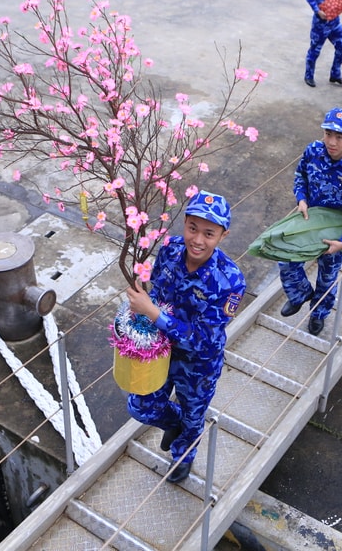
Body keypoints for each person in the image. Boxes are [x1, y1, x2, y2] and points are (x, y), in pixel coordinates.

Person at [125, 191, 246, 484]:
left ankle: (182, 456)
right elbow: (155, 290)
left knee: (195, 417)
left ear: (222, 235)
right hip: (161, 350)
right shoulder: (169, 249)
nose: (198, 240)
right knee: (140, 405)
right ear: (185, 224)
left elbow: (203, 339)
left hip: (198, 363)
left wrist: (153, 314)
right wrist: (142, 307)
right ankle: (176, 423)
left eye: (209, 233)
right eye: (192, 228)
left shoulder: (230, 280)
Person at [278, 108, 342, 336]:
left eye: (339, 137)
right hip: (309, 220)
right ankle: (299, 293)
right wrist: (301, 198)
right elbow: (300, 175)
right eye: (328, 134)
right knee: (285, 259)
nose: (331, 142)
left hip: (337, 232)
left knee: (327, 276)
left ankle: (318, 313)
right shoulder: (313, 151)